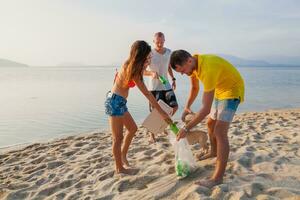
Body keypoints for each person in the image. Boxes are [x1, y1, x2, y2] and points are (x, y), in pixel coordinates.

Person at [170, 50, 245, 188]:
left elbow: (205, 109)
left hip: (232, 90)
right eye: (180, 72)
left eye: (183, 70)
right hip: (221, 89)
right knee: (210, 123)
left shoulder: (208, 69)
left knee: (220, 132)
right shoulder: (193, 65)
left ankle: (217, 178)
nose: (183, 73)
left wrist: (186, 128)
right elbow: (194, 87)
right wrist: (187, 106)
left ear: (189, 61)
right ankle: (214, 151)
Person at [104, 40, 172, 174]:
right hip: (115, 102)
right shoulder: (134, 70)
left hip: (118, 101)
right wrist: (162, 113)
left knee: (133, 129)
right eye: (147, 55)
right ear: (140, 55)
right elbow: (147, 93)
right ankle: (119, 168)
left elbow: (139, 73)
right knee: (118, 138)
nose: (149, 57)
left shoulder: (131, 65)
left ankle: (123, 156)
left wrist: (149, 71)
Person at [144, 32, 178, 142]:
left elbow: (168, 66)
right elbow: (142, 71)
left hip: (166, 85)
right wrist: (151, 74)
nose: (160, 44)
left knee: (174, 107)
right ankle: (152, 134)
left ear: (164, 40)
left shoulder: (169, 52)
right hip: (154, 87)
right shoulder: (149, 53)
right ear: (154, 41)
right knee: (155, 112)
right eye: (157, 42)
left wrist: (173, 79)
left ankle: (162, 125)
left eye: (162, 42)